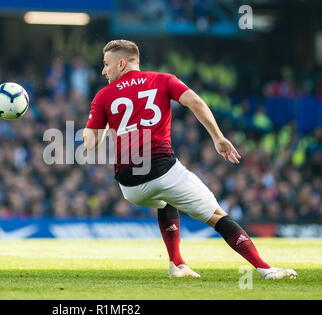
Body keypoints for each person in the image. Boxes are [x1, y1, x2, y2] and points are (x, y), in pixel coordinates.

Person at [83, 39, 297, 280]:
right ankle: (265, 269)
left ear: (121, 63)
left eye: (106, 64)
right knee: (217, 216)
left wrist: (92, 127)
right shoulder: (163, 79)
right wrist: (218, 137)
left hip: (129, 187)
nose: (103, 71)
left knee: (165, 201)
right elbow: (195, 102)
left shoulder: (103, 96)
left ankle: (177, 264)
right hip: (162, 171)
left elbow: (92, 144)